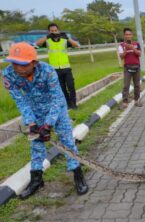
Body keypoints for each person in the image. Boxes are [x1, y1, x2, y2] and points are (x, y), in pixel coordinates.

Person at [1, 42, 88, 199]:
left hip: (56, 110)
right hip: (34, 111)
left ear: (34, 62)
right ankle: (36, 180)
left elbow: (57, 98)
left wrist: (48, 125)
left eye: (23, 64)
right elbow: (20, 100)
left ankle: (78, 175)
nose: (18, 68)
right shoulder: (8, 75)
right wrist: (31, 123)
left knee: (67, 141)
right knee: (36, 145)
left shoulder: (47, 71)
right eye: (15, 63)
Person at [36, 23, 80, 109]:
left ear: (58, 30)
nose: (54, 32)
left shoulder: (64, 40)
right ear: (49, 32)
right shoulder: (48, 41)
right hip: (55, 69)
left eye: (55, 30)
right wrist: (47, 37)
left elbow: (76, 45)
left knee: (71, 86)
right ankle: (68, 104)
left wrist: (67, 38)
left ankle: (74, 104)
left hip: (66, 68)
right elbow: (37, 44)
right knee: (62, 88)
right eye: (52, 31)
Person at [118, 28, 143, 109]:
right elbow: (121, 57)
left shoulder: (136, 44)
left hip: (136, 67)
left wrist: (133, 48)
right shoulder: (121, 45)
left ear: (132, 35)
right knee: (126, 85)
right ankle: (125, 102)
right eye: (126, 34)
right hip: (127, 68)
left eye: (129, 34)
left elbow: (139, 54)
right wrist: (126, 49)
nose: (128, 36)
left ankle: (136, 100)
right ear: (124, 36)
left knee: (137, 85)